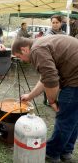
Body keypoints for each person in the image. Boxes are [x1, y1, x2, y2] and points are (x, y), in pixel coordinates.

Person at [11, 35, 78, 163]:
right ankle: (66, 151)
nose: (23, 60)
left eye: (19, 56)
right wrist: (30, 96)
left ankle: (52, 153)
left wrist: (51, 101)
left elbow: (51, 79)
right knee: (73, 118)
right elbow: (45, 77)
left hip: (74, 81)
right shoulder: (42, 44)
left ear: (24, 49)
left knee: (65, 119)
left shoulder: (37, 50)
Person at [43, 15, 66, 105]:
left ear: (60, 23)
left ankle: (55, 98)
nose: (55, 24)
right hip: (50, 60)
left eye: (57, 22)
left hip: (61, 60)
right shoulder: (49, 33)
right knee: (49, 79)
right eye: (53, 23)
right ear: (51, 23)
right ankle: (48, 99)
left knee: (58, 80)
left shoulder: (63, 33)